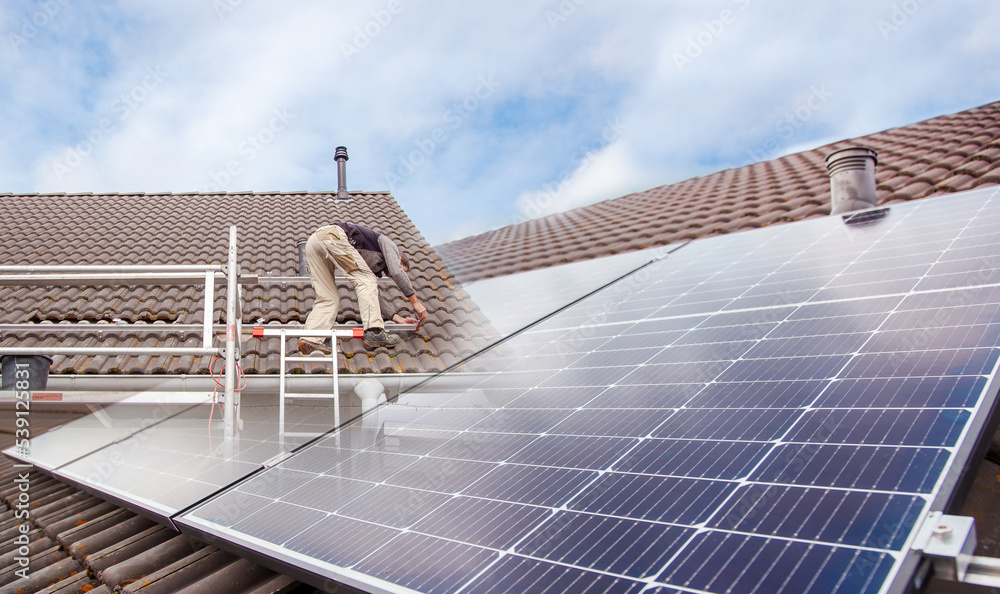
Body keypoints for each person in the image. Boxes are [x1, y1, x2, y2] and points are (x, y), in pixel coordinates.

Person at [299, 222, 427, 354]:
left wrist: (399, 319)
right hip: (332, 235)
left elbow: (372, 294)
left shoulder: (372, 265)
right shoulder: (389, 245)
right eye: (401, 266)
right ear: (399, 258)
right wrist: (415, 302)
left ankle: (311, 338)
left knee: (328, 298)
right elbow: (396, 272)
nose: (393, 272)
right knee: (366, 280)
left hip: (314, 242)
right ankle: (374, 332)